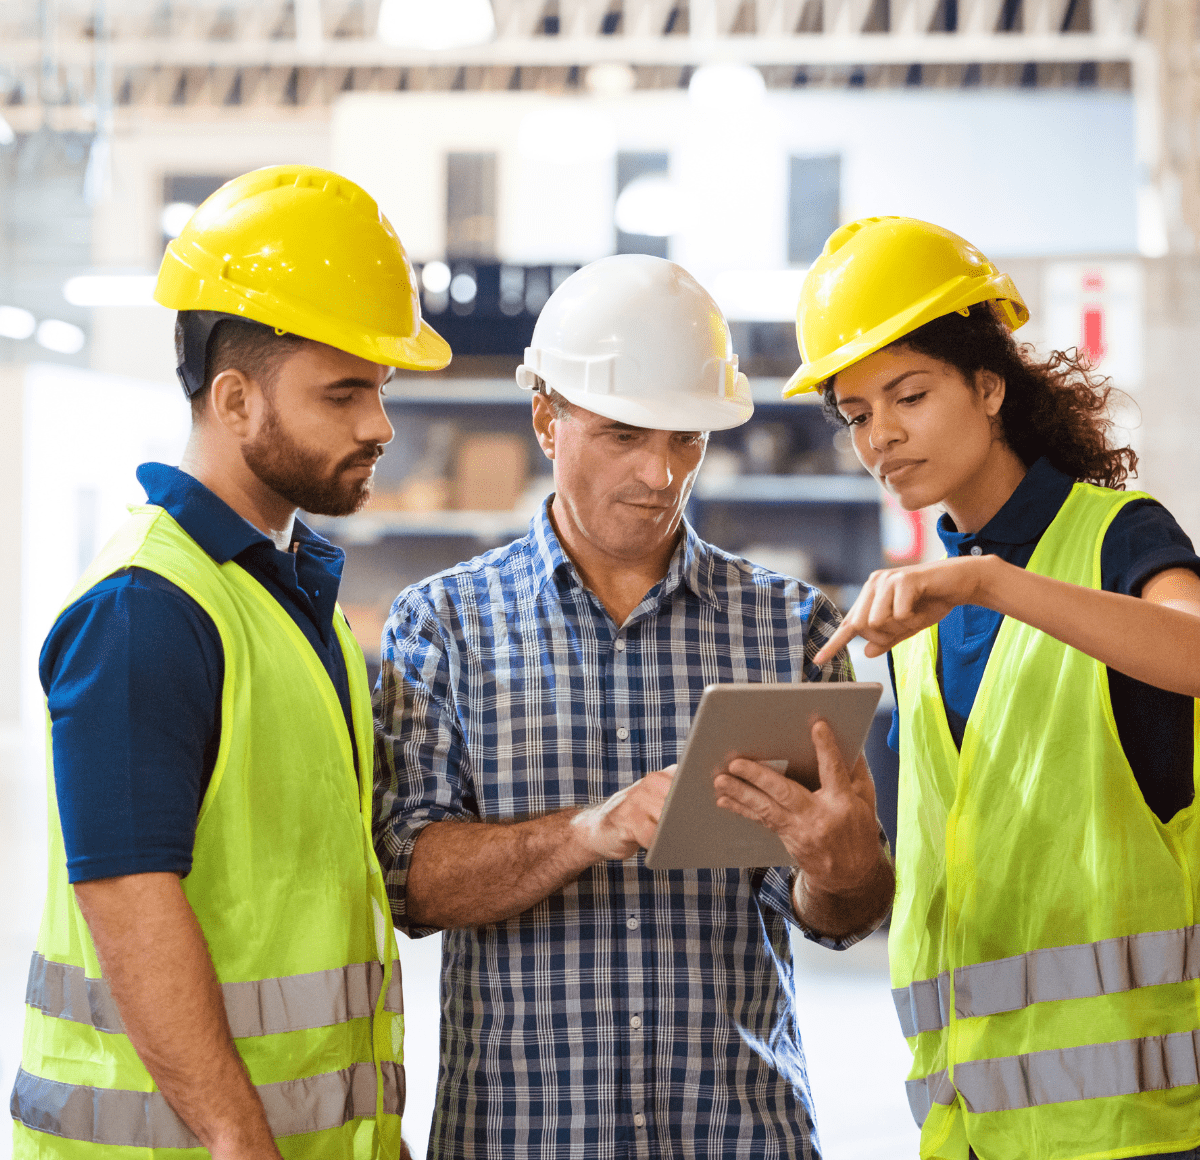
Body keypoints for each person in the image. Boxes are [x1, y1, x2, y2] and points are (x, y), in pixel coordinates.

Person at [373, 253, 896, 1159]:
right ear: (548, 418)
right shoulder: (444, 624)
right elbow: (411, 883)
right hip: (522, 1138)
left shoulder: (791, 630)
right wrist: (589, 830)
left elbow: (840, 913)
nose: (662, 473)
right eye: (625, 435)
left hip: (741, 1135)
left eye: (686, 439)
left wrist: (845, 869)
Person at [10, 165, 450, 1158]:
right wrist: (242, 1143)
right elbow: (129, 902)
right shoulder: (147, 611)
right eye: (345, 393)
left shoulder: (290, 603)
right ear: (237, 398)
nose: (380, 425)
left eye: (379, 389)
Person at [788, 216, 1200, 1160]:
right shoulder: (923, 617)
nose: (880, 434)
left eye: (909, 394)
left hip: (1137, 1128)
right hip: (971, 1128)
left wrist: (989, 580)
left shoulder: (1117, 540)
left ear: (987, 386)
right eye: (856, 414)